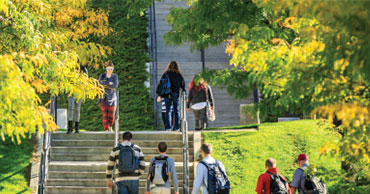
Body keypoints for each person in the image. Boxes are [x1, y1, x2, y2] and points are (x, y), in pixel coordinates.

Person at [161, 61, 185, 131]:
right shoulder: (179, 75)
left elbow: (162, 84)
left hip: (167, 93)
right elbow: (182, 85)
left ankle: (168, 127)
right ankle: (177, 127)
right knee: (176, 110)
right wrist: (184, 92)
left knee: (168, 110)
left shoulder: (165, 74)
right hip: (175, 93)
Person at [67, 65, 88, 133]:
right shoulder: (70, 67)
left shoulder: (83, 69)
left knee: (77, 109)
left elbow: (86, 81)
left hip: (79, 92)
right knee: (71, 108)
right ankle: (70, 127)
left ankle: (76, 127)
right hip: (71, 92)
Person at [98, 60, 118, 132]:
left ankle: (110, 126)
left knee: (111, 114)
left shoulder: (115, 76)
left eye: (111, 69)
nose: (110, 70)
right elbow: (99, 84)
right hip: (103, 98)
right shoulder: (102, 75)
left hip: (112, 98)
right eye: (108, 69)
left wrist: (105, 84)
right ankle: (106, 129)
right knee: (105, 115)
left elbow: (115, 85)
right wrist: (109, 84)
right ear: (106, 68)